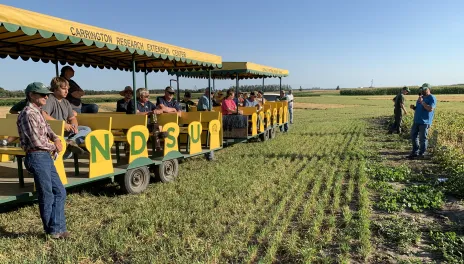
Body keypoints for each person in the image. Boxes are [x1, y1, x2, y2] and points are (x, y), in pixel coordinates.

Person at [17, 82, 69, 239]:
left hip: (44, 156)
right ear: (32, 95)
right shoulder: (28, 114)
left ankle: (56, 228)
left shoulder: (37, 112)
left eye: (46, 94)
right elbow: (37, 141)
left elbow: (47, 128)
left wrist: (56, 138)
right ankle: (54, 231)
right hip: (37, 155)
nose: (46, 96)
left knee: (59, 191)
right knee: (47, 195)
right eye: (42, 94)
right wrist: (55, 146)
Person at [42, 77, 90, 159]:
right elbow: (44, 115)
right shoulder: (50, 99)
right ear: (55, 89)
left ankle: (71, 142)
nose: (67, 91)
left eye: (67, 89)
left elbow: (72, 118)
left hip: (66, 132)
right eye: (64, 89)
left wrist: (74, 126)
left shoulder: (65, 102)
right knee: (68, 153)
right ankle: (64, 149)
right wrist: (63, 125)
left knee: (86, 129)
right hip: (54, 133)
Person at [407, 83, 437, 159]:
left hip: (425, 122)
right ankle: (415, 152)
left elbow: (430, 109)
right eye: (422, 89)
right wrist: (414, 108)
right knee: (413, 136)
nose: (423, 90)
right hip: (416, 120)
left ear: (429, 89)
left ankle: (422, 154)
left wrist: (422, 102)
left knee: (422, 138)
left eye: (425, 89)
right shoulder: (421, 97)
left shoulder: (432, 98)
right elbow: (419, 108)